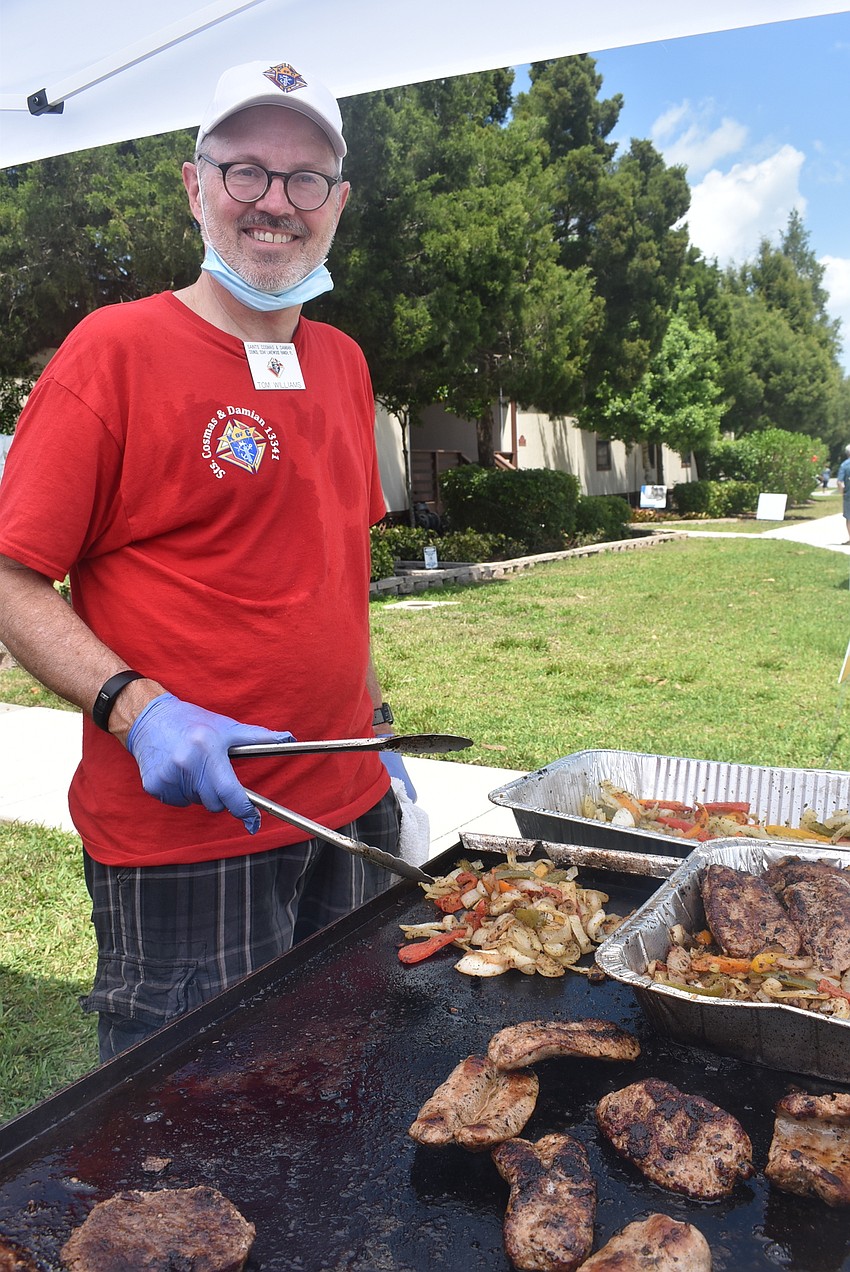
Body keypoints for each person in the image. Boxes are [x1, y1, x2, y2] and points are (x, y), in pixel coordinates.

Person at [0, 60, 416, 1061]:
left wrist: (376, 729)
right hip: (187, 839)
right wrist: (141, 710)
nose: (274, 202)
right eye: (244, 171)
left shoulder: (345, 363)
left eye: (304, 178)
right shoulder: (115, 351)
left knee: (347, 1095)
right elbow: (10, 574)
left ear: (338, 204)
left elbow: (330, 572)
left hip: (346, 816)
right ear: (195, 187)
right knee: (196, 1132)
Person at [837, 445, 850, 542]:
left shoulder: (844, 465)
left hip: (848, 495)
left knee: (849, 517)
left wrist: (842, 492)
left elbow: (839, 482)